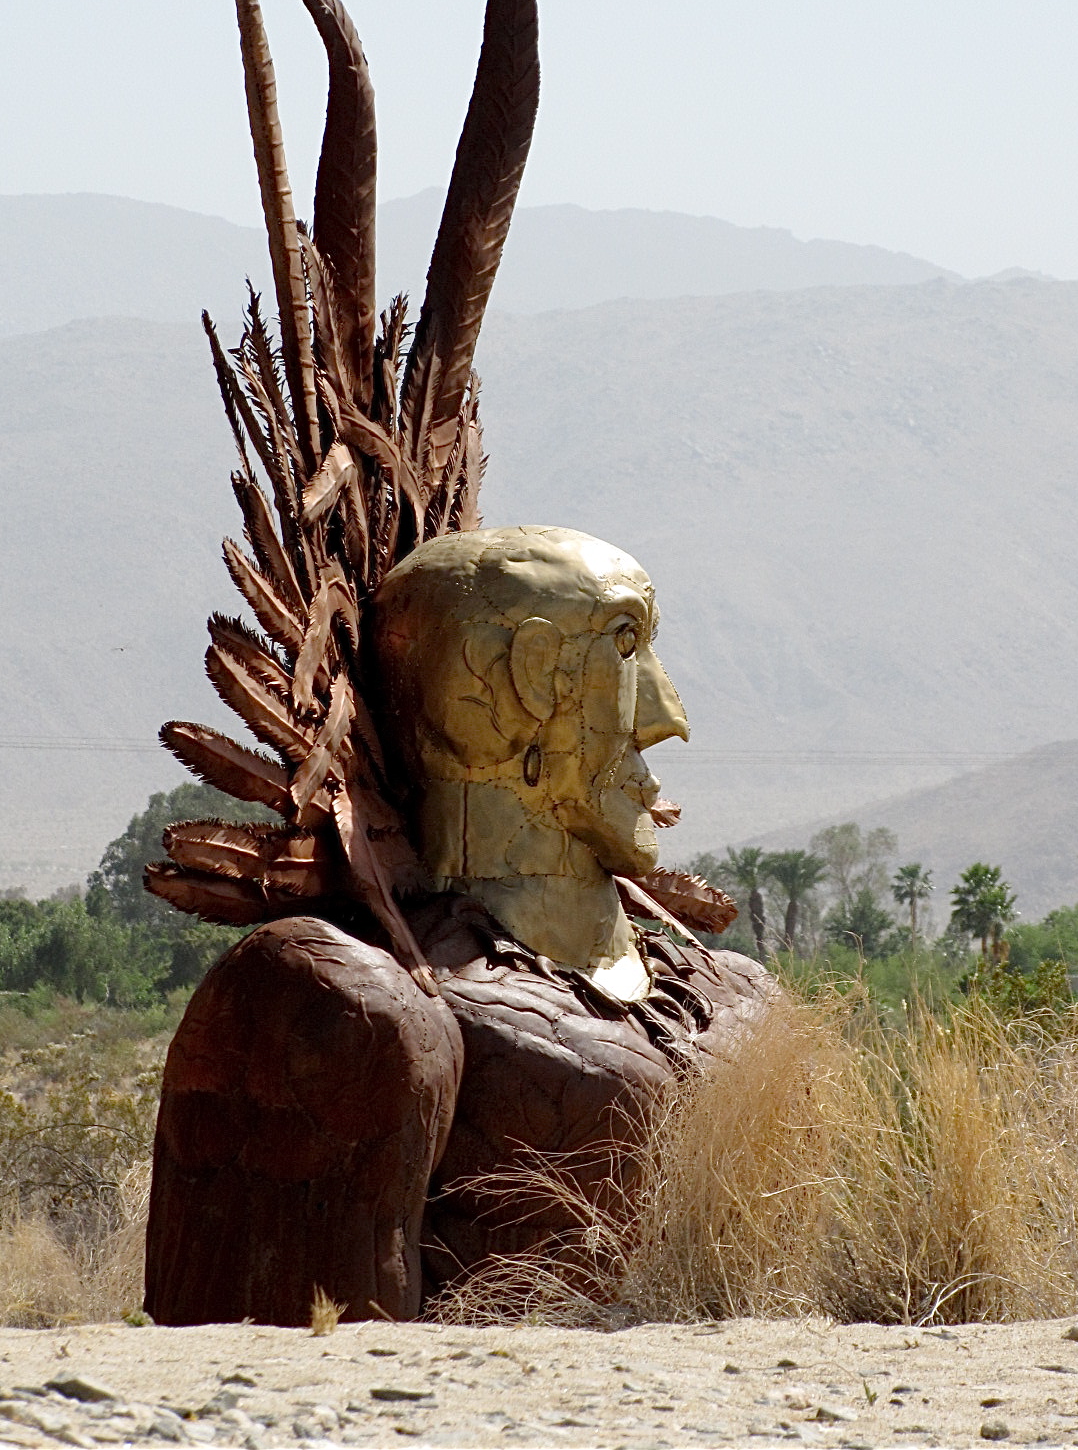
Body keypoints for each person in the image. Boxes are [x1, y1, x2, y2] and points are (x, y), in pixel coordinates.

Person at [144, 529, 773, 1325]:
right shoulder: (361, 1011)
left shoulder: (732, 997)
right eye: (624, 646)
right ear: (517, 681)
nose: (666, 717)